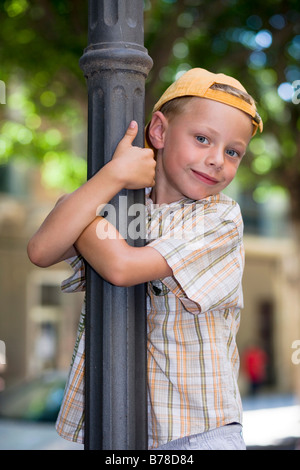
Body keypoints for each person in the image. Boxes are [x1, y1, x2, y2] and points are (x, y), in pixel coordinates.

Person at [27, 68, 263, 450]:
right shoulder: (121, 207)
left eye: (233, 151)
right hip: (122, 429)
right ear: (159, 131)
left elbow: (121, 267)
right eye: (202, 139)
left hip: (197, 433)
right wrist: (112, 178)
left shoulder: (219, 218)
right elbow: (41, 250)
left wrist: (87, 211)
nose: (218, 159)